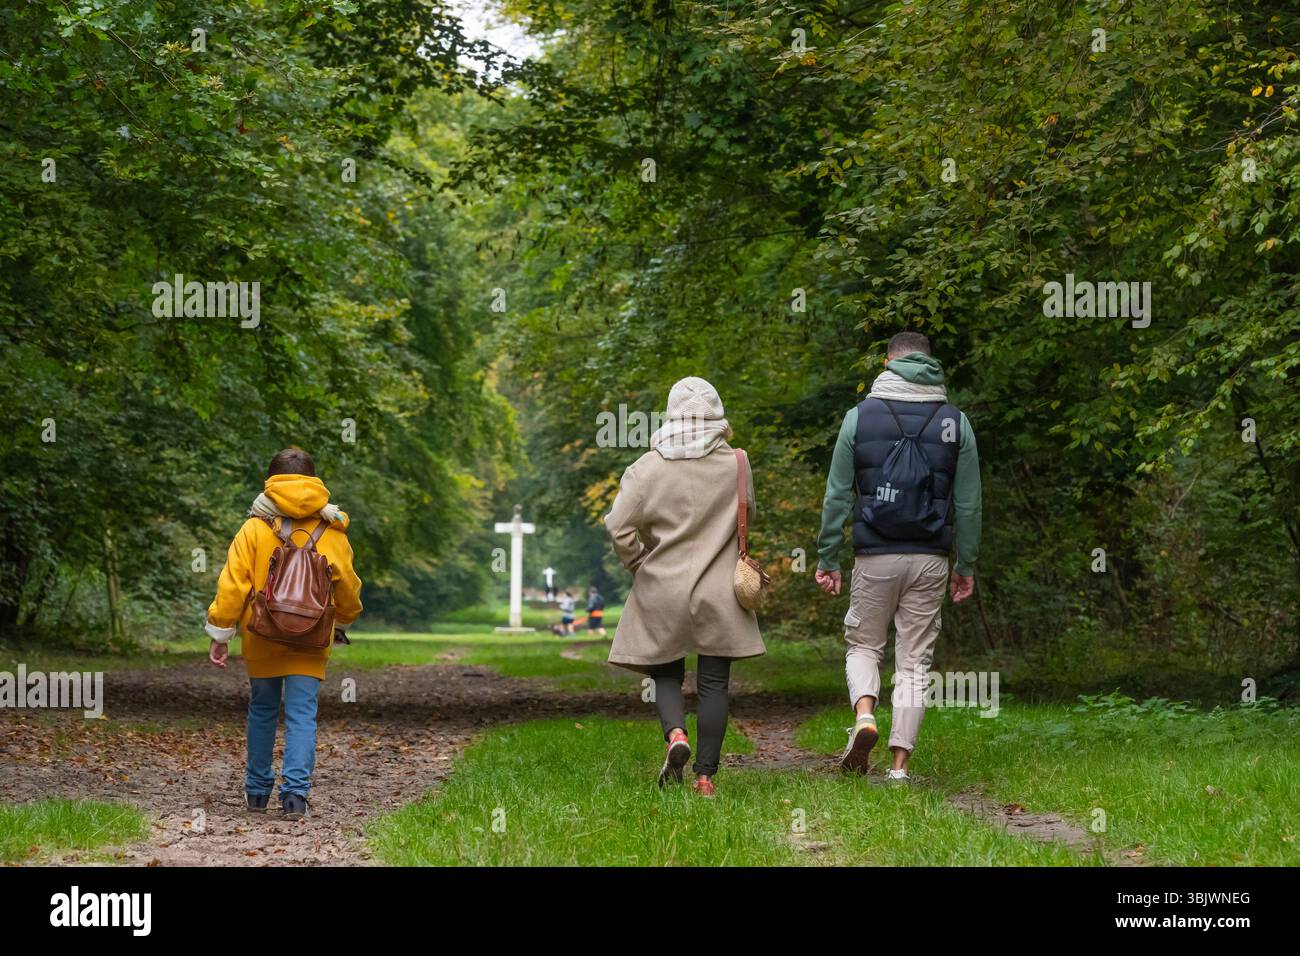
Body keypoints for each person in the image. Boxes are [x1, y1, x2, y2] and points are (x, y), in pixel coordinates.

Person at [815, 332, 981, 783]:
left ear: (888, 362)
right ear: (931, 364)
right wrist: (965, 565)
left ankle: (865, 715)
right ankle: (898, 767)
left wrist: (827, 556)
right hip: (930, 556)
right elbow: (967, 504)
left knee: (864, 644)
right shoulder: (955, 422)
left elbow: (836, 496)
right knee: (914, 661)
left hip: (874, 553)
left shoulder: (860, 417)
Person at [605, 377, 765, 796]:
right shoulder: (737, 463)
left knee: (665, 673)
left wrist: (639, 563)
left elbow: (618, 527)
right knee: (715, 683)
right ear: (716, 412)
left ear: (672, 412)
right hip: (720, 590)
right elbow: (750, 514)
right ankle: (705, 778)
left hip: (663, 588)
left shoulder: (647, 467)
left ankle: (676, 735)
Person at [205, 448, 364, 820]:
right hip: (311, 637)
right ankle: (295, 797)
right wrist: (340, 622)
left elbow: (232, 586)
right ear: (313, 481)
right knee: (302, 714)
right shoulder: (334, 533)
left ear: (271, 483)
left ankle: (257, 792)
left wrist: (221, 632)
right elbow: (348, 589)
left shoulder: (254, 528)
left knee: (261, 709)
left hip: (261, 635)